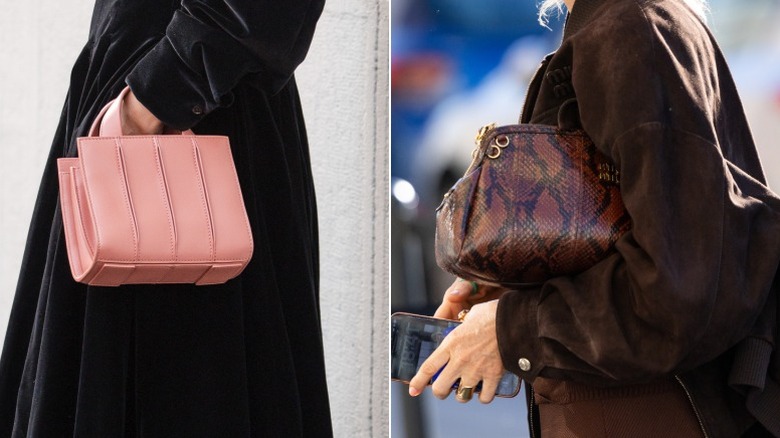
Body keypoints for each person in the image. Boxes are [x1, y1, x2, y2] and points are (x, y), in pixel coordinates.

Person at [409, 0, 780, 436]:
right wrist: (521, 278)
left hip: (651, 411)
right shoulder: (628, 22)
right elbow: (642, 231)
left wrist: (511, 330)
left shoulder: (631, 29)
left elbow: (676, 288)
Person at [0, 0, 333, 436]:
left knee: (182, 383)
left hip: (195, 106)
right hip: (150, 91)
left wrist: (158, 95)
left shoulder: (166, 91)